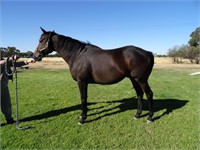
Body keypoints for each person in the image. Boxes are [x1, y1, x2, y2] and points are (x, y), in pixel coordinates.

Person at [0, 55, 35, 124]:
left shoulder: (5, 61)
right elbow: (1, 62)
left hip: (3, 87)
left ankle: (9, 119)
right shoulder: (4, 61)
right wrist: (11, 58)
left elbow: (15, 64)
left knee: (6, 103)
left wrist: (27, 61)